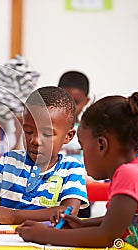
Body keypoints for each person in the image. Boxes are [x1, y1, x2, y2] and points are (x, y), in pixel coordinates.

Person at [16, 92, 138, 250]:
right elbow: (121, 220)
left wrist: (44, 235)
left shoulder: (130, 174)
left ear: (101, 145)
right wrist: (82, 224)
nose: (83, 156)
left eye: (83, 148)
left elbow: (106, 236)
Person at [0, 86, 89, 228]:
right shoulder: (9, 161)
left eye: (47, 134)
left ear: (68, 136)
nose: (35, 140)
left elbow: (68, 212)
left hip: (46, 246)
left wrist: (14, 216)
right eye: (28, 131)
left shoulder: (72, 168)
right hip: (5, 244)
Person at [58, 70, 92, 218]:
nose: (70, 106)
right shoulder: (48, 128)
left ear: (86, 101)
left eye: (76, 102)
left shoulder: (89, 130)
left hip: (83, 191)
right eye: (65, 100)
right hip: (52, 190)